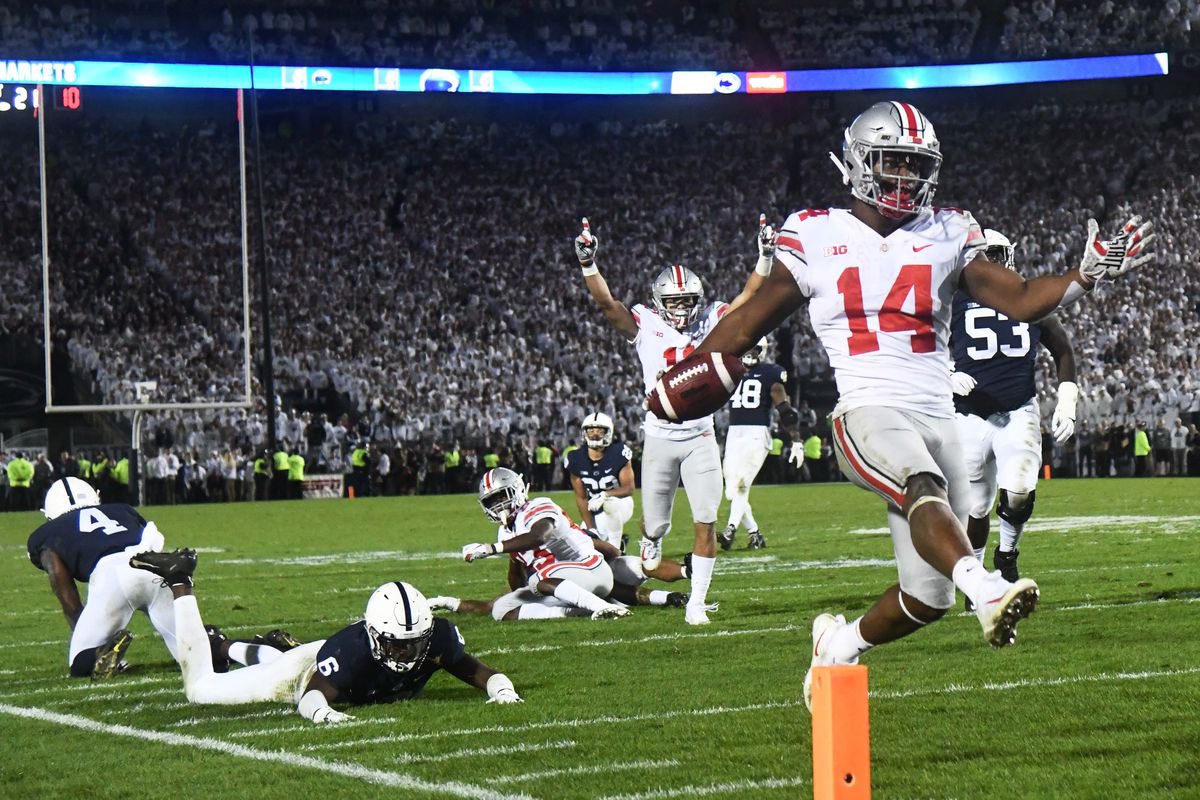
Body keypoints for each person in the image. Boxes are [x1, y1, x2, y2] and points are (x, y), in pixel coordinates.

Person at [649, 100, 1153, 709]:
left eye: (918, 166)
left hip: (939, 414)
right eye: (894, 163)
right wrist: (689, 370)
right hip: (866, 408)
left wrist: (1086, 273)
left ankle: (838, 647)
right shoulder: (815, 232)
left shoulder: (949, 229)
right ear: (859, 161)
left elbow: (1019, 299)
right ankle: (987, 587)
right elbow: (746, 326)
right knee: (922, 488)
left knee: (927, 600)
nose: (907, 178)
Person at [573, 215, 772, 624]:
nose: (681, 308)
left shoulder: (713, 318)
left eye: (687, 300)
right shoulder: (646, 323)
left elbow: (749, 298)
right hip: (660, 437)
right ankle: (649, 538)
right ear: (661, 301)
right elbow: (608, 305)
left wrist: (765, 257)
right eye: (675, 301)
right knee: (657, 525)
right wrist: (589, 264)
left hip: (700, 435)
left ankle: (697, 604)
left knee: (706, 520)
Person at [128, 550, 522, 721]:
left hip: (324, 663)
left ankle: (224, 644)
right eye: (396, 643)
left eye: (413, 642)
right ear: (373, 633)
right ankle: (180, 580)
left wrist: (504, 692)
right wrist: (324, 716)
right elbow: (312, 696)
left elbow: (482, 673)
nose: (406, 652)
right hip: (303, 673)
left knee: (274, 659)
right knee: (201, 689)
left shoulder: (436, 638)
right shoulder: (352, 649)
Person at [27, 477, 277, 679]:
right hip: (154, 566)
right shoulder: (122, 510)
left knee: (80, 662)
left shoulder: (47, 535)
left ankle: (103, 653)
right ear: (96, 496)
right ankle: (262, 649)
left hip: (110, 577)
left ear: (49, 512)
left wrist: (84, 628)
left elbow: (65, 590)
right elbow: (149, 537)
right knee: (194, 648)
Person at [948, 228, 1079, 593]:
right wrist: (947, 374)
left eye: (998, 254)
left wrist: (1067, 401)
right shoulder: (953, 300)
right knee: (976, 505)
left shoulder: (1028, 298)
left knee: (1020, 487)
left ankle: (1006, 556)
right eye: (986, 254)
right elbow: (920, 347)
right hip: (969, 414)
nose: (995, 262)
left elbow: (1063, 348)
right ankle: (975, 580)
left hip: (1019, 408)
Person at [462, 467, 631, 620]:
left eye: (502, 496)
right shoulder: (505, 532)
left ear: (517, 490)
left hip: (582, 568)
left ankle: (602, 606)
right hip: (557, 584)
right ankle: (578, 613)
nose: (499, 505)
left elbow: (538, 536)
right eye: (491, 501)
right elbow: (517, 571)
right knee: (501, 609)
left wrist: (491, 548)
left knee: (537, 579)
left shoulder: (537, 506)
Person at [719, 337, 799, 550]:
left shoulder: (770, 372)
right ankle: (755, 534)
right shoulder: (730, 371)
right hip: (734, 434)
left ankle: (730, 529)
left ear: (761, 351)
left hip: (756, 433)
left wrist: (796, 439)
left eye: (753, 349)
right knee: (731, 492)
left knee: (743, 483)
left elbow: (784, 409)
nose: (749, 353)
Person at [565, 412, 636, 551]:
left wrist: (605, 495)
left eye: (599, 430)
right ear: (584, 432)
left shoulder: (618, 452)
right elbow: (581, 498)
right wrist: (591, 529)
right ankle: (619, 544)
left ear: (608, 432)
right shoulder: (576, 458)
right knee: (582, 545)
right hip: (594, 509)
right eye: (591, 430)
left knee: (610, 505)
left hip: (621, 504)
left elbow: (629, 488)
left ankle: (616, 548)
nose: (595, 434)